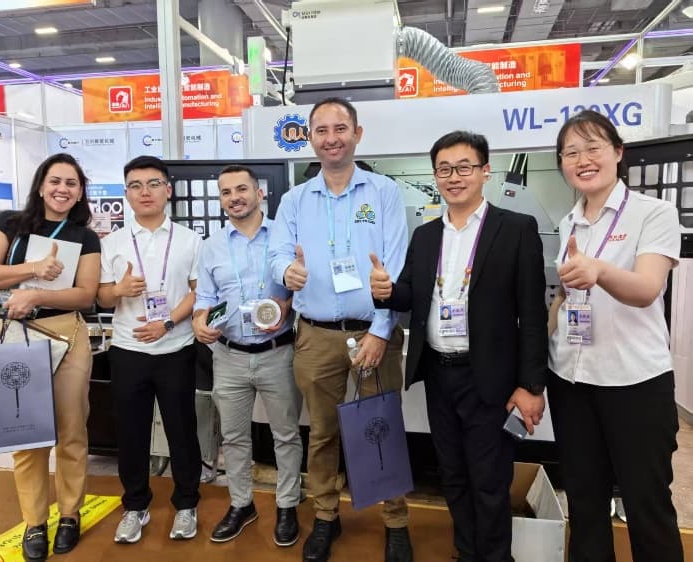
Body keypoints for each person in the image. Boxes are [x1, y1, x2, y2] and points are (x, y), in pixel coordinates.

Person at [370, 131, 547, 562]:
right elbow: (411, 294)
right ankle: (467, 552)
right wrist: (386, 292)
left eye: (464, 167)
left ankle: (495, 557)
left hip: (490, 378)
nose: (454, 177)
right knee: (452, 474)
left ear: (485, 171)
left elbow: (533, 314)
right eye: (444, 169)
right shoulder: (426, 235)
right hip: (439, 374)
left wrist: (531, 385)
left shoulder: (516, 229)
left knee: (489, 479)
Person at [269, 97, 412, 562]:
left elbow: (396, 263)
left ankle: (396, 522)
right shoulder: (295, 199)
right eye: (322, 130)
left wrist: (382, 330)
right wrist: (286, 271)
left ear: (357, 134)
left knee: (380, 428)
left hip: (374, 331)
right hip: (315, 335)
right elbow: (276, 255)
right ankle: (326, 516)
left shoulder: (384, 192)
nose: (332, 138)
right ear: (310, 138)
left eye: (340, 129)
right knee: (323, 433)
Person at [548, 110, 683, 561]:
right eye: (571, 152)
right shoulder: (568, 223)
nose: (582, 160)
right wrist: (535, 358)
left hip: (634, 383)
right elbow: (564, 297)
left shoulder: (654, 212)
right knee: (584, 503)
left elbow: (646, 289)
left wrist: (599, 271)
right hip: (572, 383)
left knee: (647, 505)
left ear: (618, 152)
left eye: (593, 148)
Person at [0, 153, 100, 562]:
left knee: (71, 428)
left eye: (71, 183)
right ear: (41, 185)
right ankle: (34, 521)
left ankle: (69, 513)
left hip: (66, 334)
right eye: (55, 181)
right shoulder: (10, 223)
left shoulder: (84, 237)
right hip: (15, 333)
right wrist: (33, 270)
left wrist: (38, 295)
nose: (63, 189)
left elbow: (86, 295)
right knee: (25, 432)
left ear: (80, 192)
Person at [192, 164, 303, 547]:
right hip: (229, 356)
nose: (234, 197)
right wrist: (199, 320)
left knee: (286, 435)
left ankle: (287, 505)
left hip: (278, 352)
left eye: (241, 189)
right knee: (235, 437)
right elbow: (205, 297)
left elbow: (303, 286)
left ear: (259, 193)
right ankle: (242, 504)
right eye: (226, 192)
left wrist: (287, 304)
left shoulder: (284, 238)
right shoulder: (211, 246)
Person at [97, 156, 203, 544]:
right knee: (132, 432)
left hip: (176, 347)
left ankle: (187, 504)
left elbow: (198, 292)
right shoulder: (111, 243)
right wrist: (118, 290)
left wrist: (167, 322)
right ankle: (135, 506)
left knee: (182, 429)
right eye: (135, 185)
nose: (145, 192)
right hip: (128, 350)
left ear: (168, 190)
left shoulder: (190, 240)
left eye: (153, 184)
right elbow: (101, 296)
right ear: (126, 194)